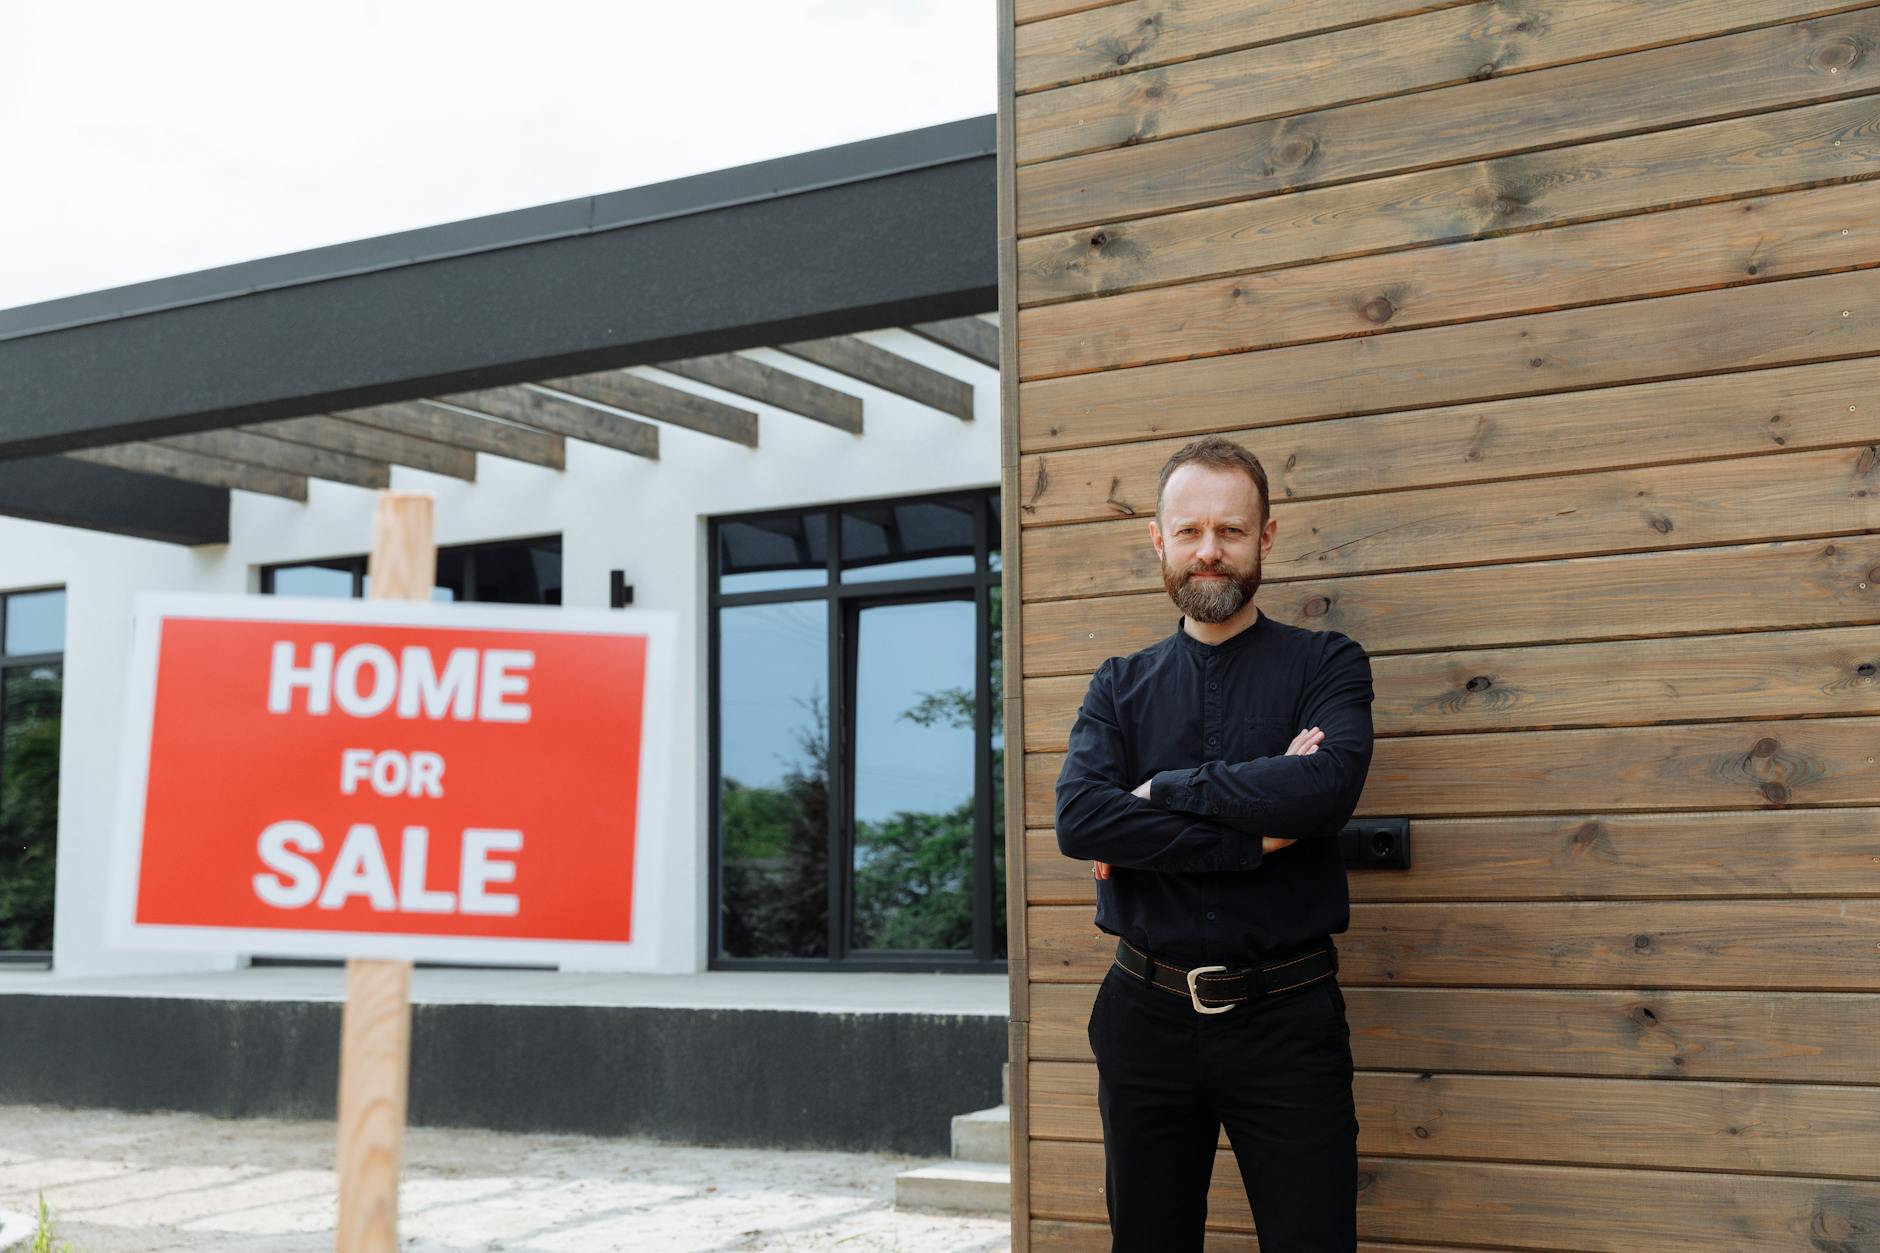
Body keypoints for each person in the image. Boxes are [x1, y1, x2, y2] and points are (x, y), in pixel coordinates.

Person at [1054, 434, 1375, 1251]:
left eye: (1230, 531)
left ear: (1265, 538)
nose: (1209, 552)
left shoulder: (1328, 665)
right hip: (1142, 1018)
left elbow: (1325, 788)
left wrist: (1160, 791)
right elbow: (1082, 819)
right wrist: (1253, 834)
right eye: (1189, 530)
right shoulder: (1117, 686)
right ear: (1157, 539)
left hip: (1287, 1018)